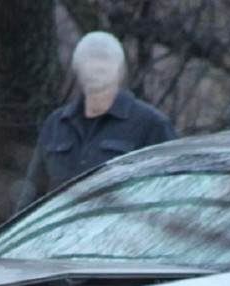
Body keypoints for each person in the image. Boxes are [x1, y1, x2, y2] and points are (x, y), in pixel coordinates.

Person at [15, 31, 177, 211]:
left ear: (120, 70)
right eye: (90, 61)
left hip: (124, 236)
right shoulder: (56, 125)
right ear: (77, 68)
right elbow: (30, 201)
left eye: (105, 61)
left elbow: (170, 196)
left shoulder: (151, 125)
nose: (96, 68)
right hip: (62, 236)